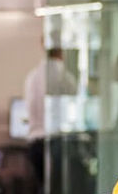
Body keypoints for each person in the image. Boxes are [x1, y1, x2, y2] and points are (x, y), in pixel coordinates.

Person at [23, 46, 78, 184]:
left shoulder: (32, 76)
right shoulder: (62, 76)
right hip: (54, 143)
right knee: (56, 193)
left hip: (34, 143)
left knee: (45, 191)